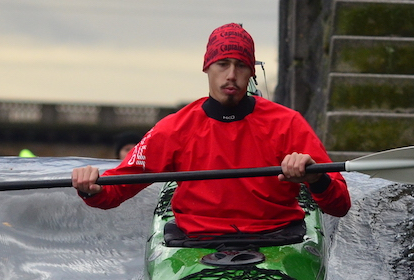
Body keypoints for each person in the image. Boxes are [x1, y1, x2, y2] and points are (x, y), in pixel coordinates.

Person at [72, 23, 350, 242]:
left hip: (278, 238)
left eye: (241, 65)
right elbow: (114, 191)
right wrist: (91, 188)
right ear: (207, 67)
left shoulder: (288, 124)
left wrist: (316, 178)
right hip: (196, 243)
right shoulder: (173, 128)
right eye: (222, 64)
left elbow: (339, 204)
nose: (231, 75)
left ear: (251, 72)